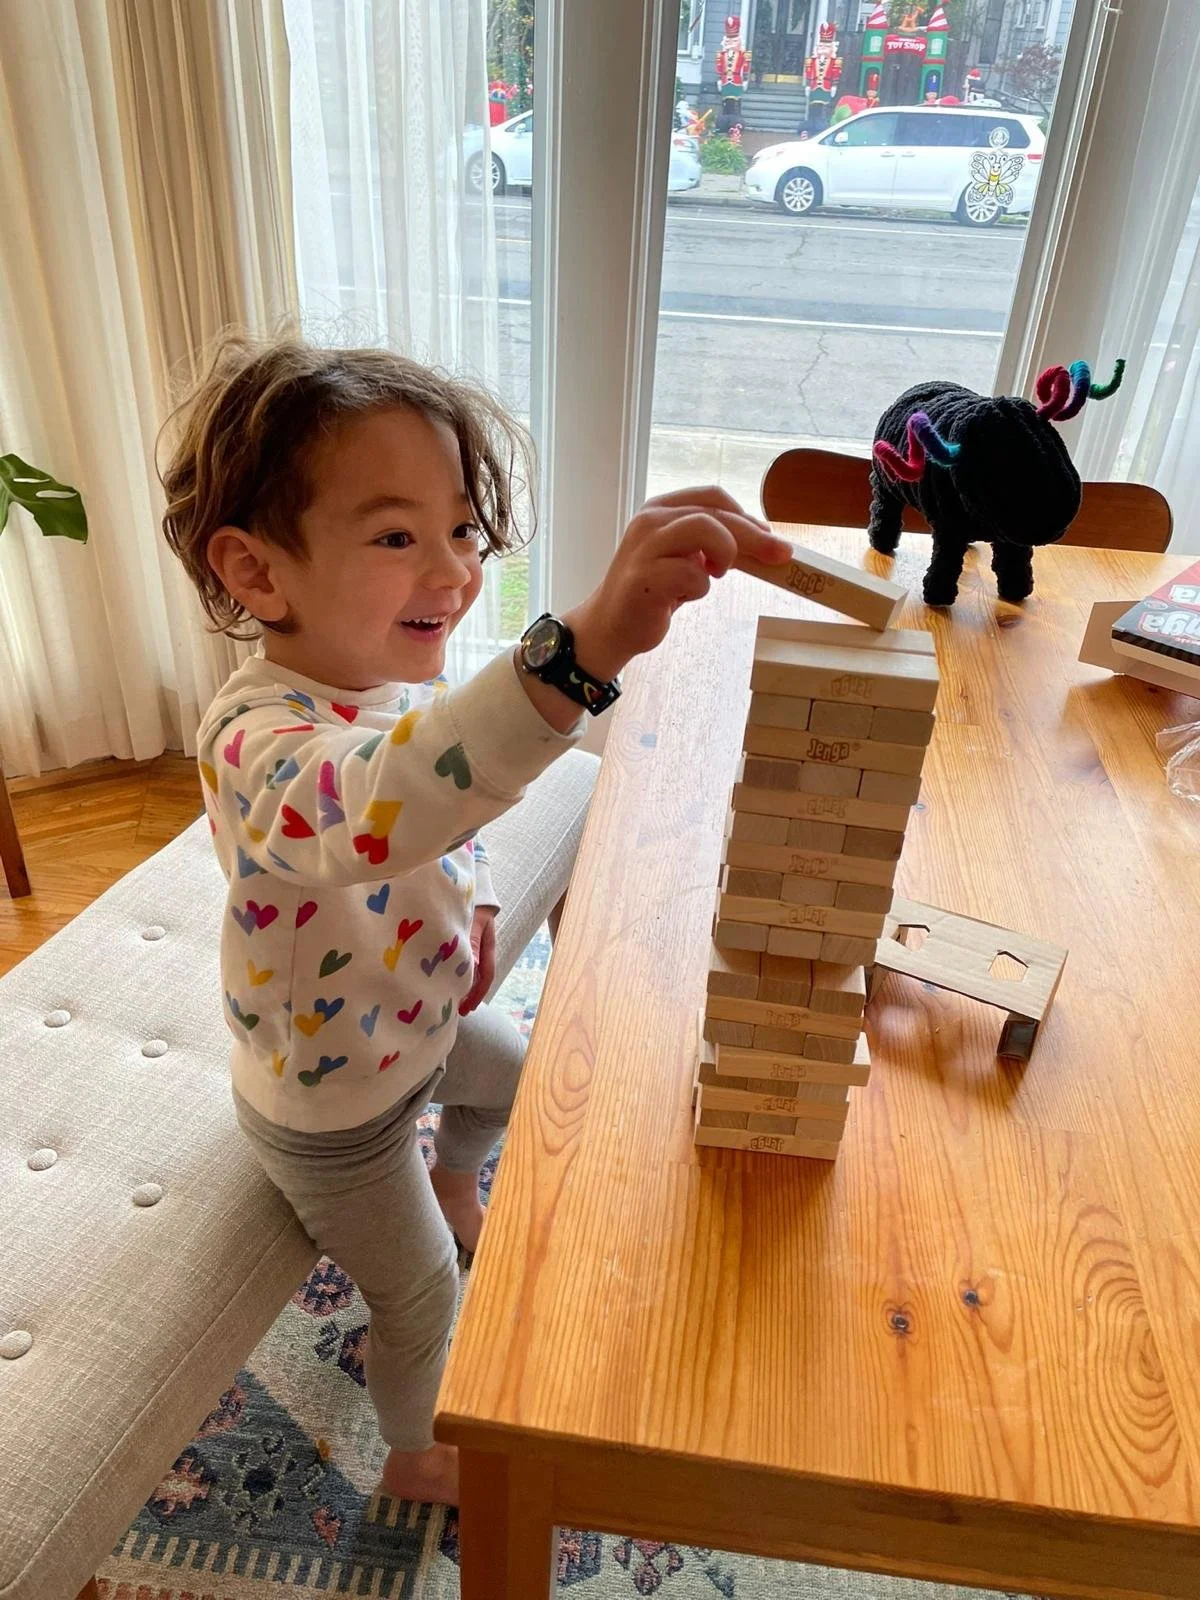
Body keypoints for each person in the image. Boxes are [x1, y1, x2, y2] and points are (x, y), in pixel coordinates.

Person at [159, 333, 790, 1510]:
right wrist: (581, 649)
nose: (452, 569)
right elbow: (390, 795)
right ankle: (414, 1448)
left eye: (460, 529)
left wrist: (486, 894)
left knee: (510, 1080)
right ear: (255, 573)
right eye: (398, 535)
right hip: (332, 1106)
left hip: (424, 1029)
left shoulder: (378, 686)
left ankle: (453, 1175)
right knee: (423, 1297)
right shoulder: (259, 743)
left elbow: (451, 800)